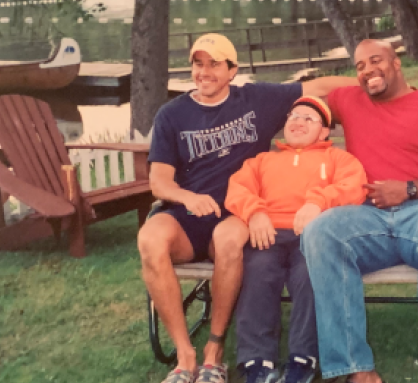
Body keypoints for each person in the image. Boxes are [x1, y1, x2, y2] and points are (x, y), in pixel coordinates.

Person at [137, 33, 357, 383]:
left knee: (230, 243)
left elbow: (317, 87)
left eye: (214, 64)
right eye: (198, 63)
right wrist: (186, 197)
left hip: (237, 213)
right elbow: (159, 182)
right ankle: (184, 356)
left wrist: (374, 81)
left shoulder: (257, 99)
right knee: (150, 241)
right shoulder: (172, 114)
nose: (204, 72)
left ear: (232, 70)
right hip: (188, 212)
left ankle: (214, 349)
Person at [300, 39, 418, 383]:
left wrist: (409, 188)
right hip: (367, 218)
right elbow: (306, 92)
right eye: (359, 66)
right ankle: (357, 369)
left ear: (397, 62)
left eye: (376, 61)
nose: (367, 70)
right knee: (320, 231)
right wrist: (360, 80)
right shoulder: (350, 100)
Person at [225, 96, 367, 383]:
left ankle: (303, 359)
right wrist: (254, 213)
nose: (298, 122)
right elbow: (238, 188)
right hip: (268, 232)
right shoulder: (263, 161)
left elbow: (354, 187)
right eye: (293, 116)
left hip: (313, 235)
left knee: (310, 275)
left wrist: (318, 202)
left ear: (324, 132)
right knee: (257, 271)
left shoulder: (337, 158)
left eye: (308, 118)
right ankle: (257, 361)